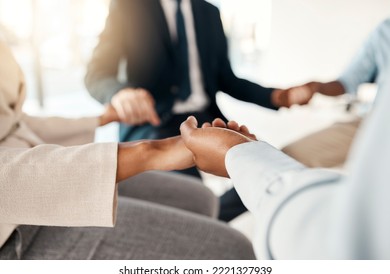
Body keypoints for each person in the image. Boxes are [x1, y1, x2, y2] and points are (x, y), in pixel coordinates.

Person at [0, 42, 255, 260]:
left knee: (203, 198)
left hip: (37, 161)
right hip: (12, 224)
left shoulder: (207, 10)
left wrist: (100, 119)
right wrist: (151, 152)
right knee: (231, 250)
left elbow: (12, 119)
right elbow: (98, 73)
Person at [84, 0, 285, 221]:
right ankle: (200, 221)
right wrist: (120, 93)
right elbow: (96, 74)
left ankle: (204, 220)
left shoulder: (210, 12)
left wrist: (275, 96)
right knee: (193, 194)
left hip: (206, 120)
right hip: (155, 122)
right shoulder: (128, 6)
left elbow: (227, 79)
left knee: (268, 170)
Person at [180, 77, 390, 259]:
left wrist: (238, 154)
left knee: (232, 245)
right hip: (372, 118)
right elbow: (350, 78)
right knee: (284, 154)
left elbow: (350, 249)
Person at [272, 18, 390, 168]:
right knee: (285, 160)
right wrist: (317, 87)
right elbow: (348, 81)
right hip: (375, 123)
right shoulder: (385, 30)